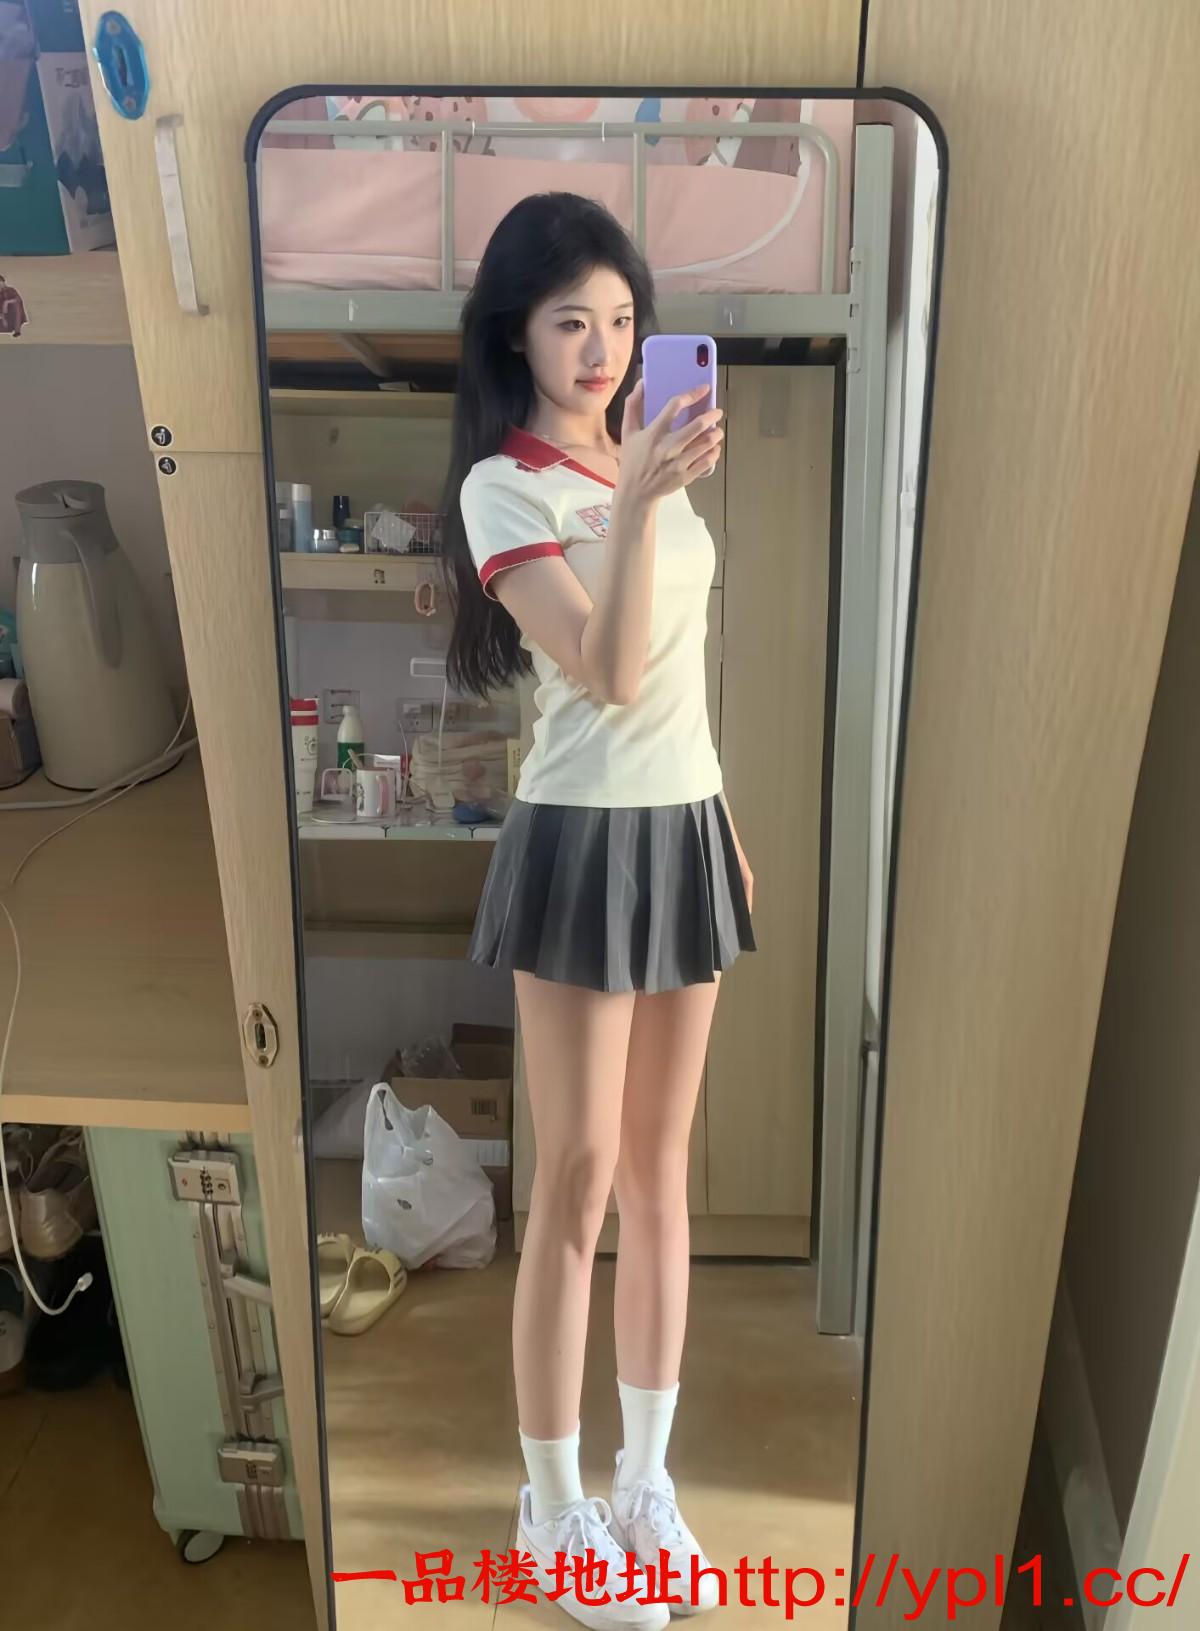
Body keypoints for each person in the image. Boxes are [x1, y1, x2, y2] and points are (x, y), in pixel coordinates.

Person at [442, 192, 756, 1629]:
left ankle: (644, 1484)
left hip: (681, 828)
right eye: (572, 320)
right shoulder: (503, 488)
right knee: (570, 1184)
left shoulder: (645, 456)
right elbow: (613, 673)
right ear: (517, 331)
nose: (604, 349)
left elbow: (683, 674)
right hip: (579, 841)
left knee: (658, 1174)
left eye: (623, 320)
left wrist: (723, 816)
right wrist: (630, 503)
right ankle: (551, 1503)